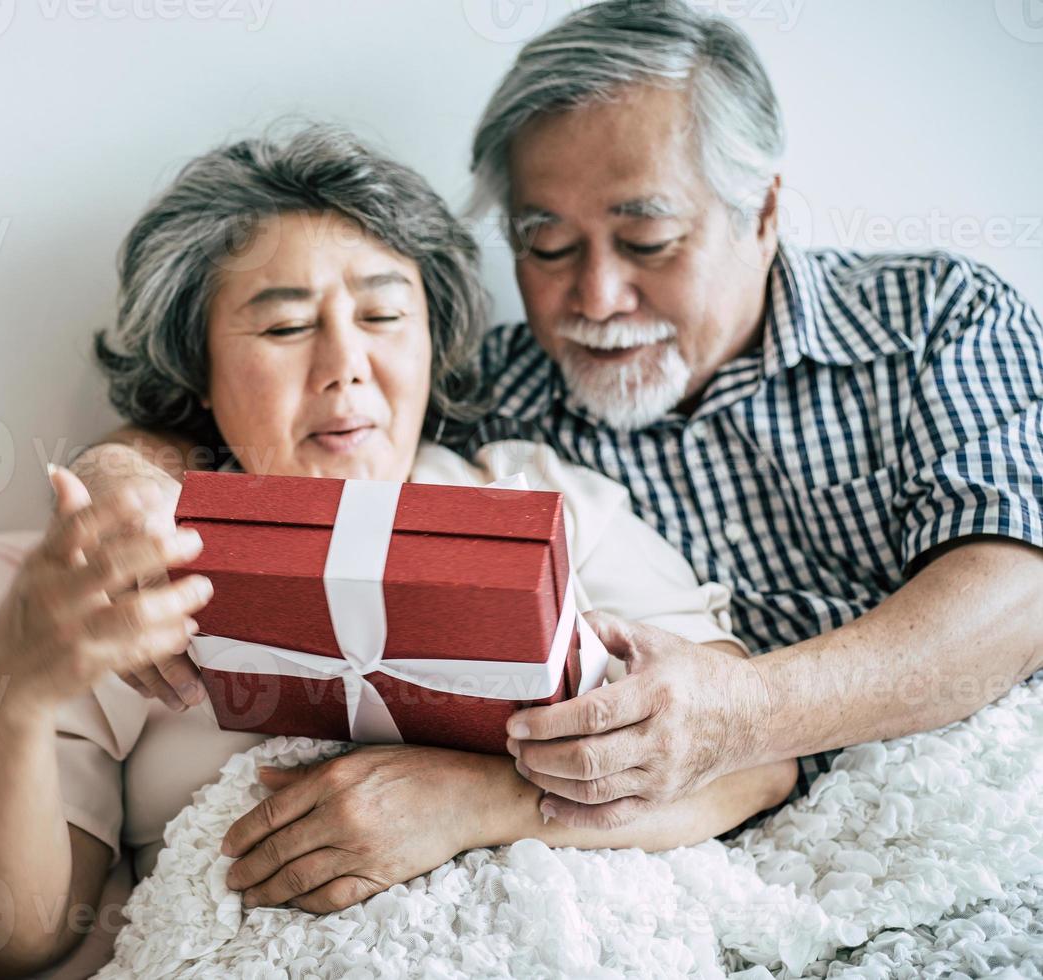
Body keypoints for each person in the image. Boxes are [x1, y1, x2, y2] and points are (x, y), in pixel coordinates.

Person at [77, 1, 1043, 839]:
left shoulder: (933, 319)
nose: (598, 294)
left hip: (954, 791)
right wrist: (119, 477)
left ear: (763, 213)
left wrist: (745, 714)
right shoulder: (503, 387)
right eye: (545, 246)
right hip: (669, 851)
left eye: (647, 239)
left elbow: (1016, 593)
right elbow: (273, 432)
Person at [0, 124, 796, 977]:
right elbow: (10, 938)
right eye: (282, 329)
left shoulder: (547, 500)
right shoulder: (138, 565)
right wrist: (16, 684)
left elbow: (755, 765)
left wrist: (476, 802)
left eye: (383, 314)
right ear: (199, 369)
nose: (346, 367)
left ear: (432, 341)